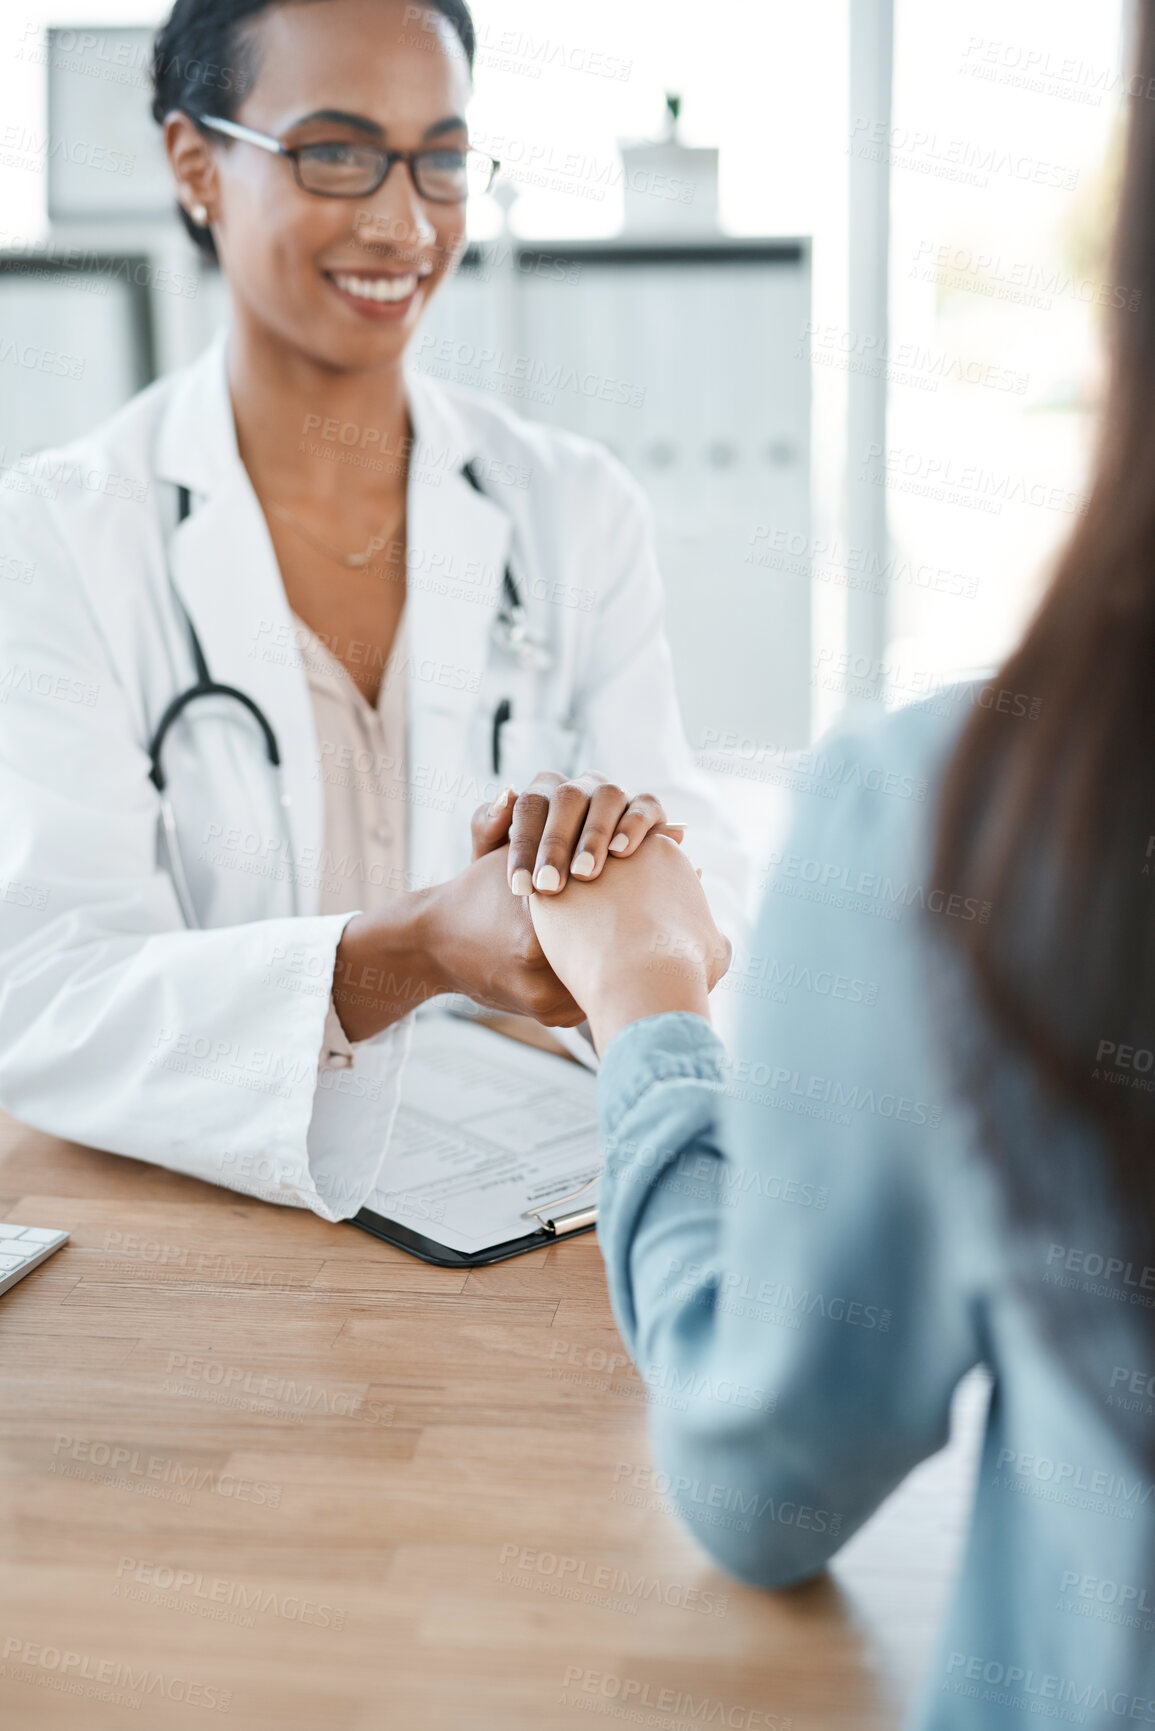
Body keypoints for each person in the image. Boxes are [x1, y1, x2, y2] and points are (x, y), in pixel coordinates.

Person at [526, 11, 1155, 1722]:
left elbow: (766, 1479)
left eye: (443, 159)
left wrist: (649, 998)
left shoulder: (973, 823)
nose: (405, 218)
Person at [0, 0, 745, 1220]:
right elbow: (46, 997)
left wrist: (618, 875)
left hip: (540, 1220)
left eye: (441, 158)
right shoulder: (59, 532)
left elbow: (700, 887)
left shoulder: (572, 508)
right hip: (211, 1243)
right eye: (337, 152)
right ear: (198, 164)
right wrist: (410, 951)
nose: (404, 222)